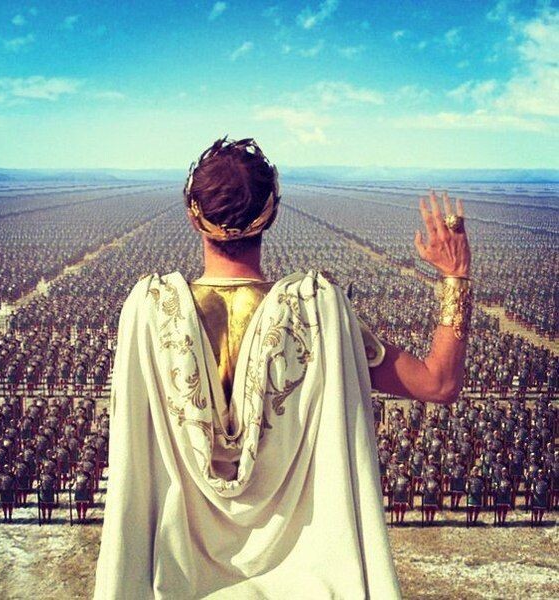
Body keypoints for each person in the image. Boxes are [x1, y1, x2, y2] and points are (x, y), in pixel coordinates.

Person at [94, 136, 472, 599]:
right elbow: (439, 383)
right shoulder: (318, 313)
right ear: (271, 213)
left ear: (193, 215)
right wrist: (456, 276)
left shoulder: (149, 313)